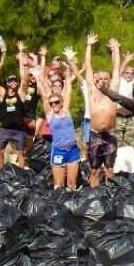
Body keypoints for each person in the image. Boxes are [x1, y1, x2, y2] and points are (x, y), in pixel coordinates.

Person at [67, 33, 121, 186]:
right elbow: (88, 67)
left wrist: (115, 50)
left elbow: (116, 68)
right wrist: (89, 46)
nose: (103, 81)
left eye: (106, 78)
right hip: (95, 134)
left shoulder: (113, 90)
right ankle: (93, 195)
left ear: (109, 80)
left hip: (110, 134)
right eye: (100, 78)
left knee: (110, 168)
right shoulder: (92, 91)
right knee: (94, 169)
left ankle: (110, 193)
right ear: (96, 80)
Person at [38, 48, 80, 189]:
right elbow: (44, 93)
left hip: (73, 150)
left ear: (61, 102)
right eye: (52, 103)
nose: (54, 104)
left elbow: (68, 87)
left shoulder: (66, 111)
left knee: (72, 184)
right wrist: (38, 76)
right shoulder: (50, 115)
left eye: (56, 102)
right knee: (58, 185)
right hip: (59, 151)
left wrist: (69, 60)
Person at [0, 42, 30, 169]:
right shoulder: (2, 93)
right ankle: (2, 173)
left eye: (14, 81)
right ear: (7, 83)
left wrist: (21, 56)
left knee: (21, 153)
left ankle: (22, 174)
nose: (13, 82)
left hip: (18, 129)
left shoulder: (21, 94)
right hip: (5, 128)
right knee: (0, 152)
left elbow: (25, 78)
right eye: (10, 81)